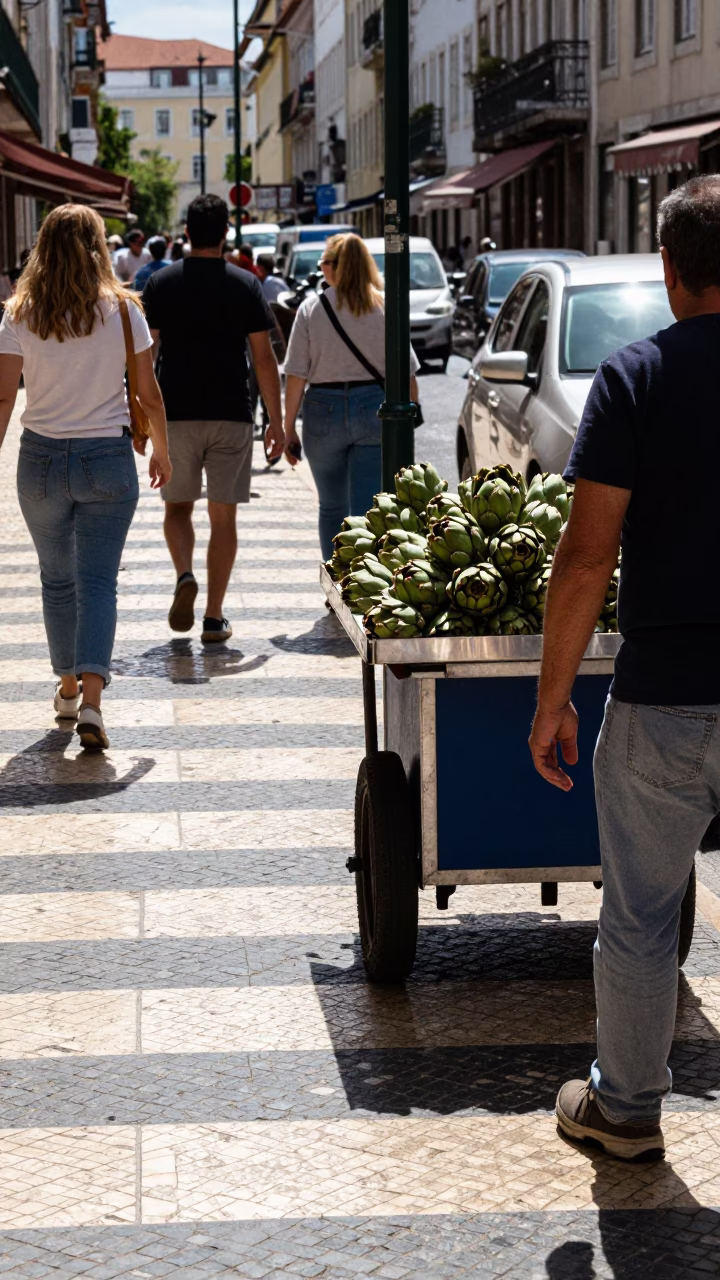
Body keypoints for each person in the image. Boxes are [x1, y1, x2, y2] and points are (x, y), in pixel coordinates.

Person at [528, 174, 720, 1162]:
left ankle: (628, 1108)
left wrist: (553, 696)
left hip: (667, 692)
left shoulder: (635, 375)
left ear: (669, 270)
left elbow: (584, 555)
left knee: (641, 910)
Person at [0, 204, 171, 750]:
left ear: (42, 247)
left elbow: (5, 395)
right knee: (98, 582)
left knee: (56, 579)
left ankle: (68, 688)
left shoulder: (19, 312)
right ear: (100, 248)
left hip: (41, 461)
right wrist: (162, 450)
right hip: (107, 458)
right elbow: (147, 393)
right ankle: (94, 703)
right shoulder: (123, 312)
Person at [142, 193, 285, 643]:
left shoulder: (161, 284)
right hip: (231, 413)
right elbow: (263, 359)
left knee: (177, 507)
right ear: (226, 233)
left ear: (186, 232)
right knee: (224, 519)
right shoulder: (245, 285)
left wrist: (140, 417)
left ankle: (184, 573)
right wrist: (277, 422)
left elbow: (147, 355)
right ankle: (214, 616)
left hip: (176, 413)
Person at [283, 232, 420, 561]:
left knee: (331, 505)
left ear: (334, 268)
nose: (321, 270)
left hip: (322, 408)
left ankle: (335, 577)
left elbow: (296, 375)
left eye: (324, 263)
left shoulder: (311, 309)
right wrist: (412, 418)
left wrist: (287, 428)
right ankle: (363, 579)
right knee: (366, 505)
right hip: (373, 407)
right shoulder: (385, 307)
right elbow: (407, 371)